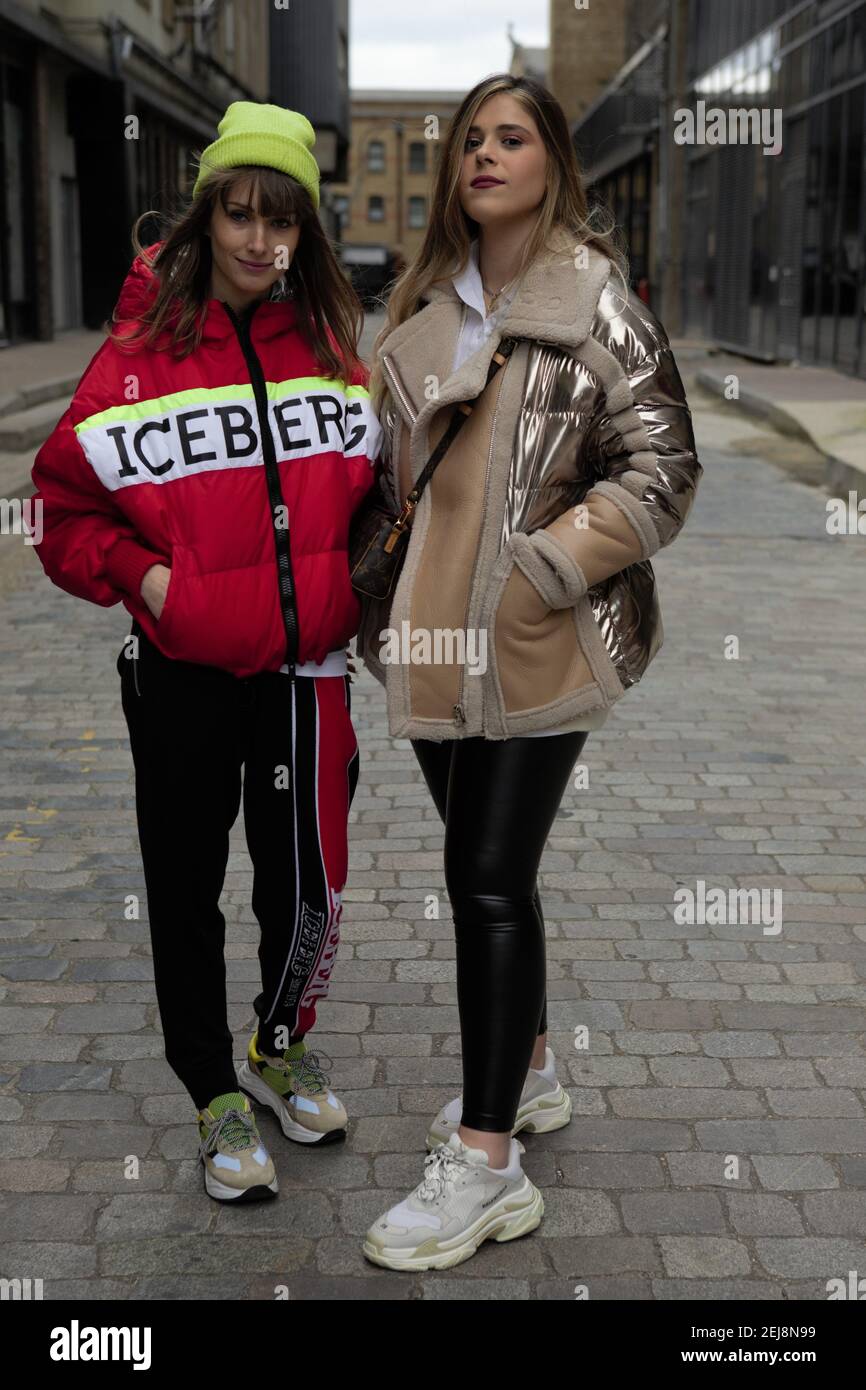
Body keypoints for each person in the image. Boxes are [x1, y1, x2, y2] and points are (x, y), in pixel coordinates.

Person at [356, 74, 702, 1271]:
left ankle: (488, 1161)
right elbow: (392, 486)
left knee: (485, 875)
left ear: (553, 160)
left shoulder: (594, 299)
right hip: (433, 653)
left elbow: (661, 463)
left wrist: (546, 564)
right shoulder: (419, 314)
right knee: (487, 877)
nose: (483, 156)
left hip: (533, 639)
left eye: (511, 138)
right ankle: (534, 1063)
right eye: (469, 141)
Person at [29, 102, 382, 1204]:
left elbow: (374, 502)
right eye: (237, 212)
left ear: (303, 235)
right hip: (181, 674)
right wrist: (145, 579)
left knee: (307, 883)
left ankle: (281, 1043)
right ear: (205, 215)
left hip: (301, 679)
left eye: (280, 220)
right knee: (186, 888)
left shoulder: (330, 348)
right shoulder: (137, 357)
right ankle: (210, 1088)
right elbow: (61, 509)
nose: (257, 241)